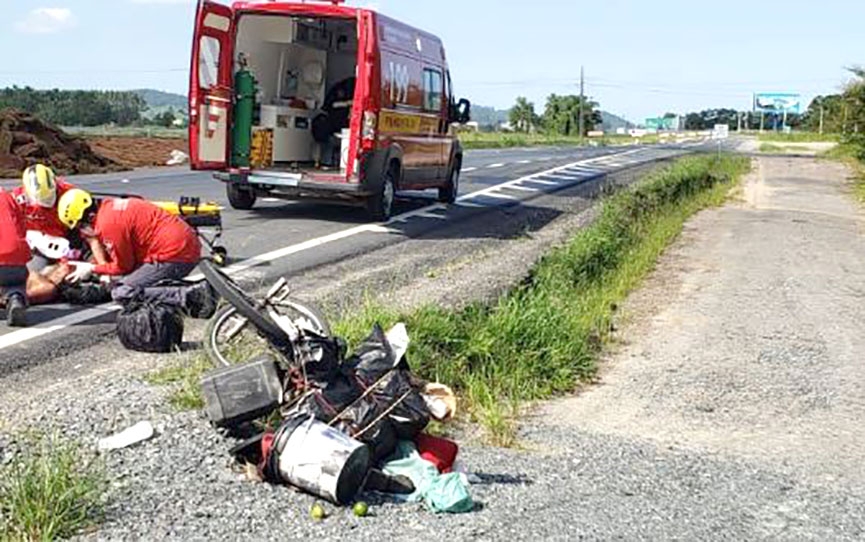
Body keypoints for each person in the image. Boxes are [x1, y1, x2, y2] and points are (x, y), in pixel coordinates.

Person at [57, 188, 217, 317]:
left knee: (123, 292)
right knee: (130, 280)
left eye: (81, 226)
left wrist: (91, 268)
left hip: (175, 254)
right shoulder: (109, 206)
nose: (82, 232)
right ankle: (193, 289)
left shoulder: (108, 225)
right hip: (182, 245)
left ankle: (191, 295)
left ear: (90, 217)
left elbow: (123, 267)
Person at [0, 189, 31, 327]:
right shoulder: (8, 197)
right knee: (14, 283)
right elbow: (21, 229)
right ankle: (15, 297)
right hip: (15, 259)